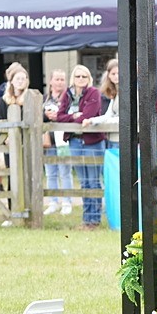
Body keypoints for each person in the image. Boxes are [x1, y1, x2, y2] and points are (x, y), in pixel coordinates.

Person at [48, 64, 104, 229]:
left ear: (89, 78)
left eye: (84, 77)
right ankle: (86, 219)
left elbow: (88, 115)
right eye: (78, 76)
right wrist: (74, 116)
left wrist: (73, 117)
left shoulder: (94, 93)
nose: (81, 80)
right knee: (84, 181)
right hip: (74, 141)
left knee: (93, 181)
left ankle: (95, 219)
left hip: (92, 141)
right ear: (73, 78)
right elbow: (59, 116)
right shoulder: (68, 94)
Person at [42, 69, 72, 216]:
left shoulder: (69, 98)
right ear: (51, 81)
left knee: (65, 172)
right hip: (48, 141)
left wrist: (59, 116)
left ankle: (67, 202)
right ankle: (53, 202)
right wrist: (45, 115)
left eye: (62, 79)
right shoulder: (44, 99)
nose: (60, 82)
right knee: (50, 173)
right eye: (57, 79)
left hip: (63, 141)